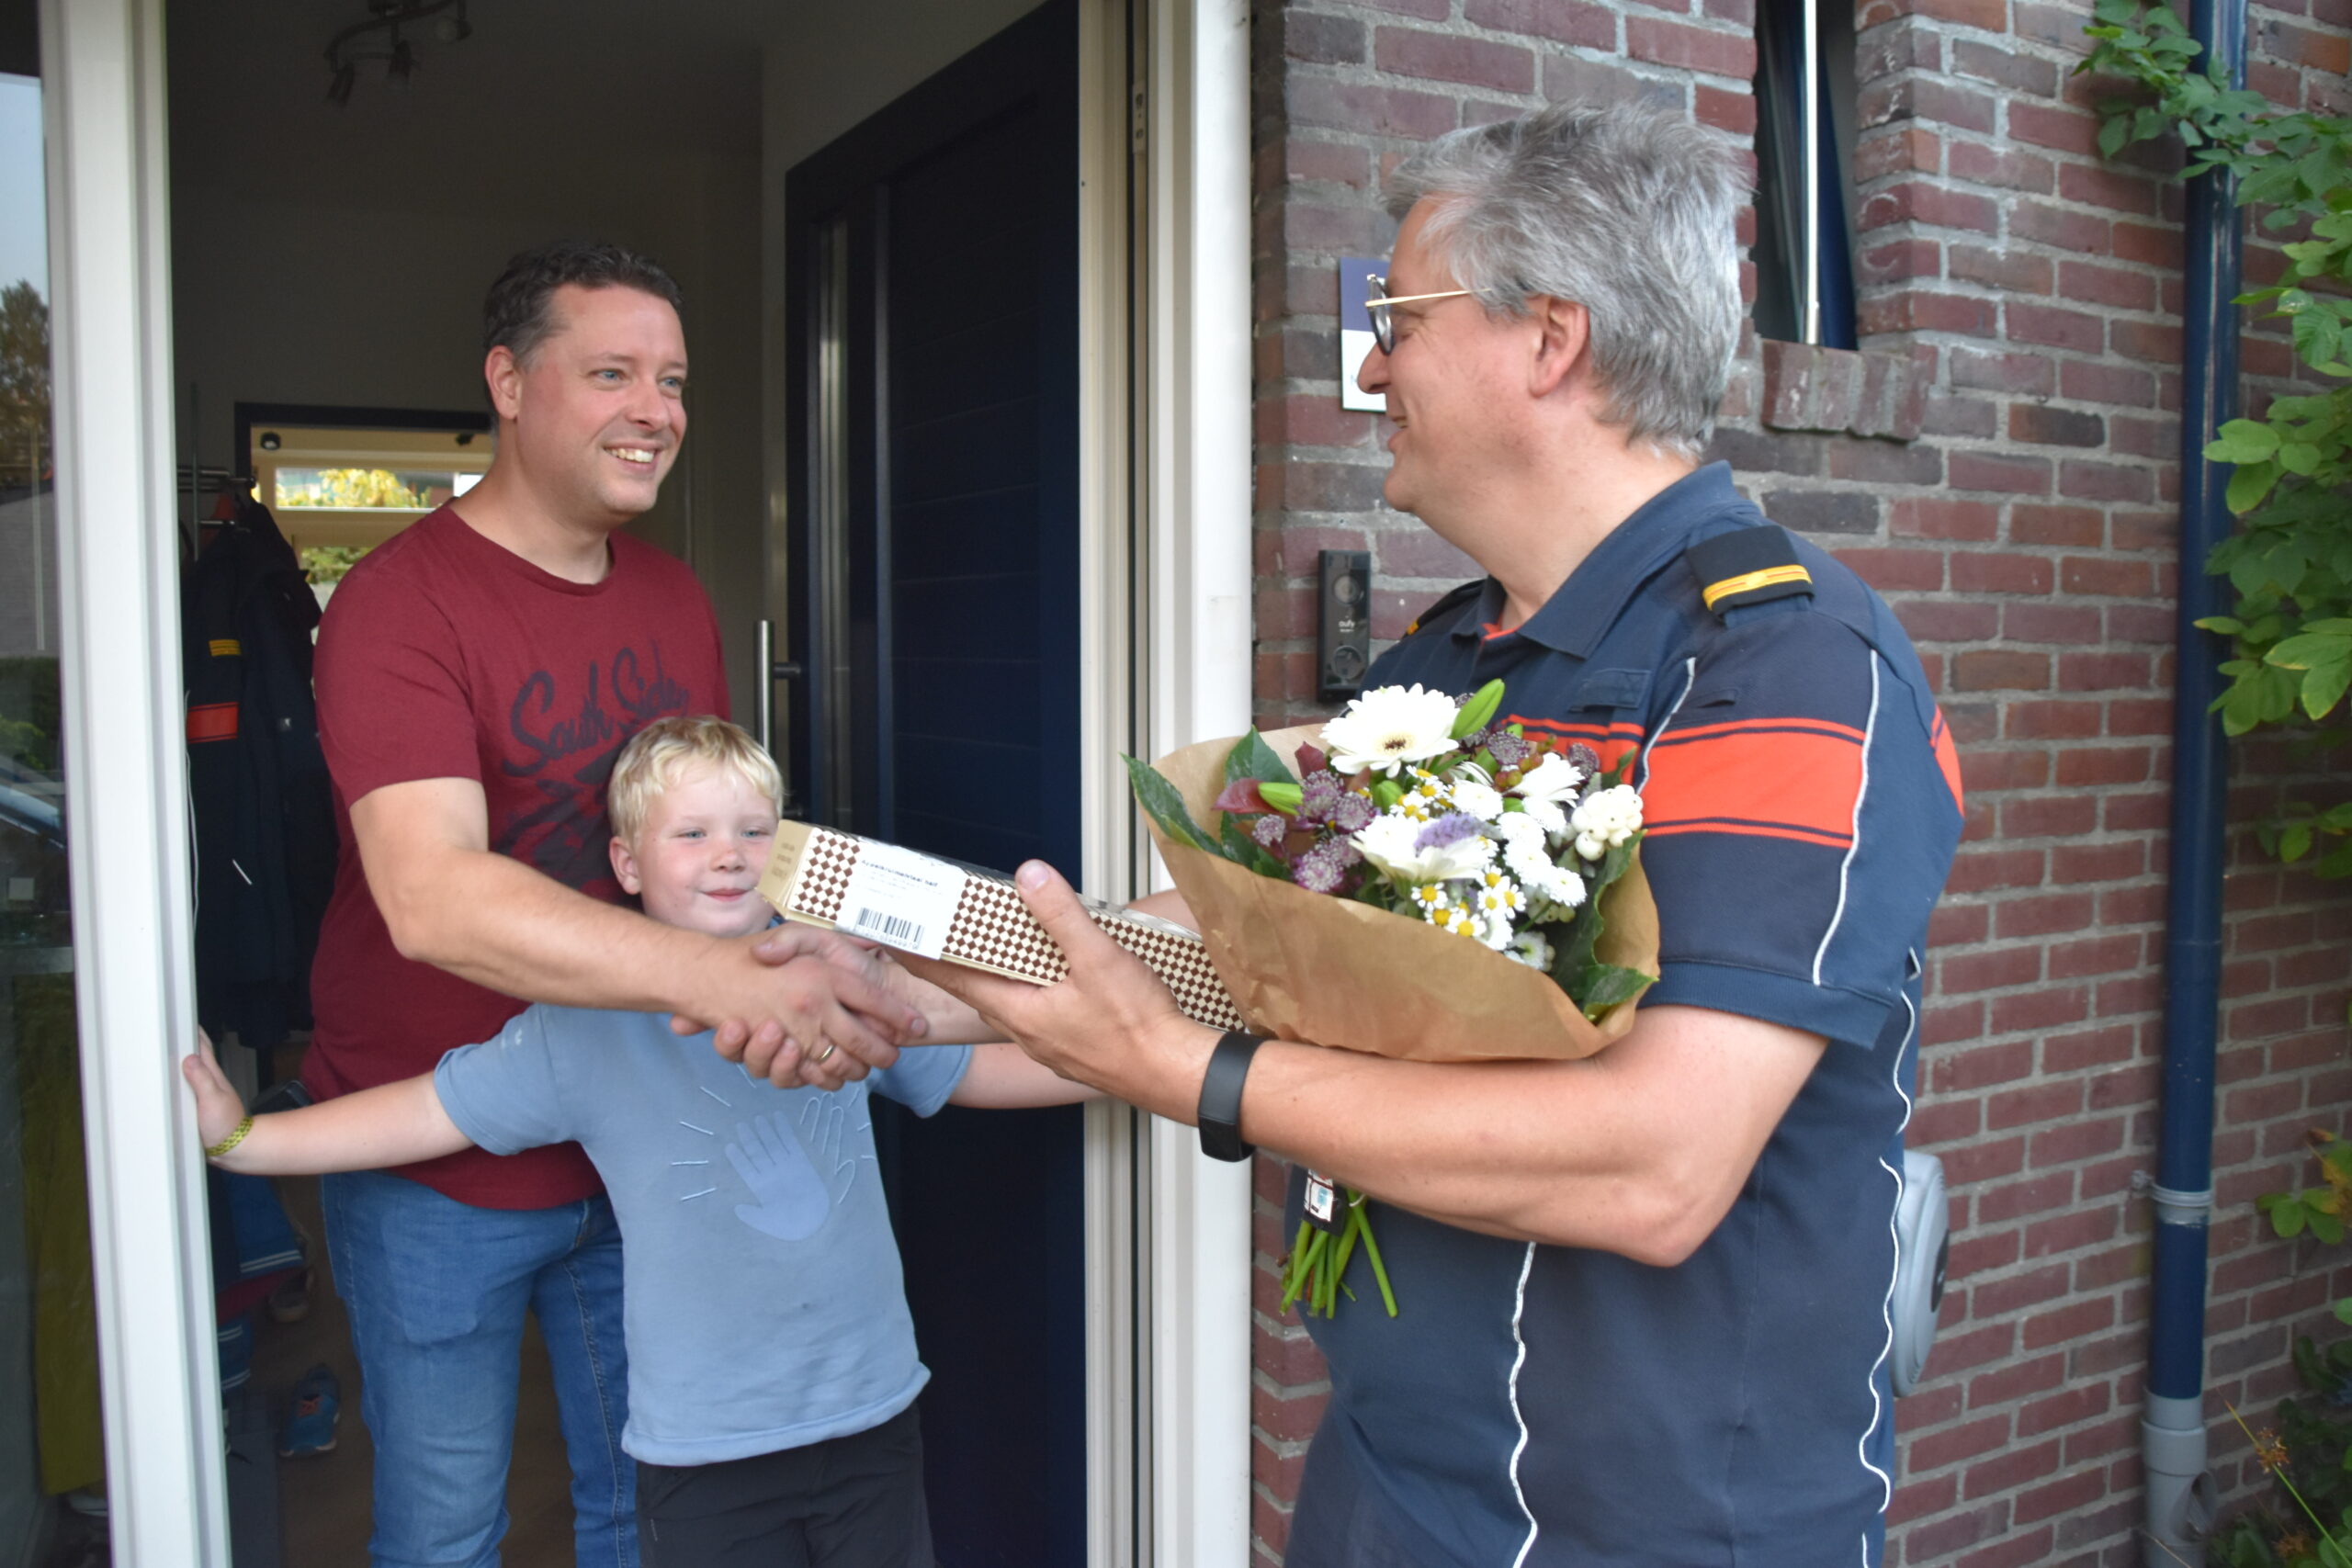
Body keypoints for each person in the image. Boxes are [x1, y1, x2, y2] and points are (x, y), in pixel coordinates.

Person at [816, 104, 1963, 1566]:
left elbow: (1658, 1164)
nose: (1369, 366)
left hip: (1664, 1531)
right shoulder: (1446, 664)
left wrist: (1194, 1076)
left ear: (1550, 340)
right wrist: (917, 980)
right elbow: (1253, 949)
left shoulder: (1783, 671)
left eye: (1398, 318)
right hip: (1387, 1489)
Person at [306, 243, 927, 1568]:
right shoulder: (396, 602)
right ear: (510, 382)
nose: (656, 408)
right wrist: (726, 985)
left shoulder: (671, 594)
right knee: (447, 1527)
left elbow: (707, 847)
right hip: (436, 1158)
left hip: (641, 1145)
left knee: (631, 1512)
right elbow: (432, 897)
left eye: (673, 379)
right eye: (611, 373)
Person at [190, 717, 1074, 1568]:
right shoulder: (584, 1027)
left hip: (872, 1413)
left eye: (754, 830)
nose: (729, 853)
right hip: (704, 1449)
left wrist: (1158, 1071)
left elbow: (976, 1068)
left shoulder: (830, 975)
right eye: (691, 832)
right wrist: (244, 1139)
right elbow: (429, 1111)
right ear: (626, 862)